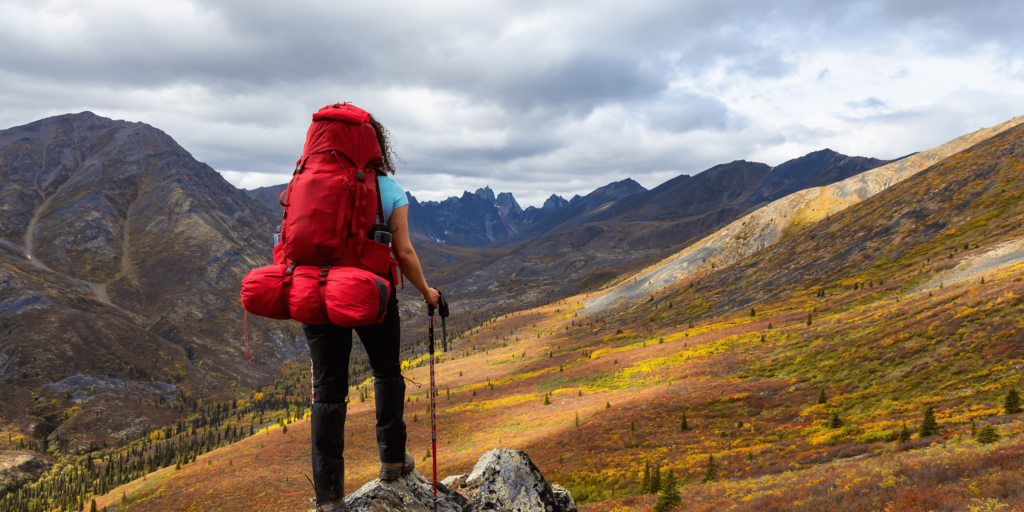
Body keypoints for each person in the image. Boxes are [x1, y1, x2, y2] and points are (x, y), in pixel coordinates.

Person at [305, 113, 440, 512]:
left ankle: (329, 498)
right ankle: (392, 459)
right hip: (371, 294)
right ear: (374, 146)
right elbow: (403, 252)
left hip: (316, 294)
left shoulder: (306, 183)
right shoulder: (387, 188)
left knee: (327, 391)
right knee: (386, 371)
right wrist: (426, 292)